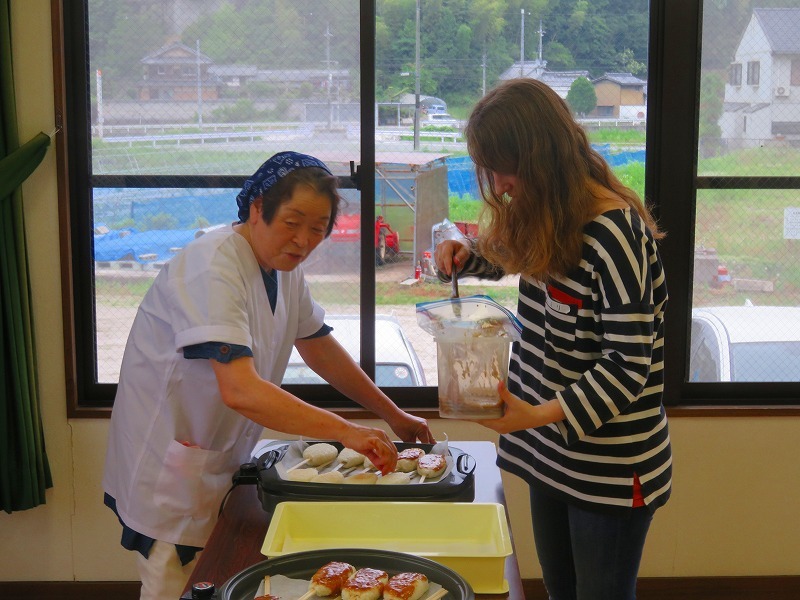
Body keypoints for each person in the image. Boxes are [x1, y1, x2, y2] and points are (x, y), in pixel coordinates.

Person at [103, 151, 434, 600]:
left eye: (318, 228)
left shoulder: (283, 269)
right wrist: (346, 432)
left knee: (220, 576)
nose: (303, 240)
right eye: (292, 221)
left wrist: (392, 414)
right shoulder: (212, 265)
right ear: (257, 208)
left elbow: (318, 347)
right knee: (171, 583)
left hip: (219, 456)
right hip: (171, 467)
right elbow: (240, 390)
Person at [434, 79, 671, 600]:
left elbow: (628, 365)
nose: (500, 183)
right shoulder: (548, 209)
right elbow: (517, 253)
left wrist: (534, 414)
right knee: (561, 591)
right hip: (550, 454)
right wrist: (466, 254)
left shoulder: (614, 234)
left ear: (539, 159)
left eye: (503, 169)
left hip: (607, 464)